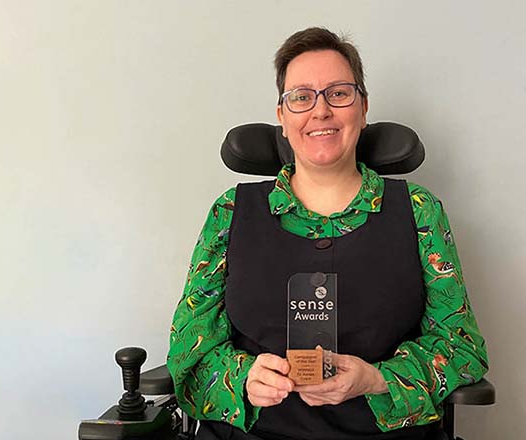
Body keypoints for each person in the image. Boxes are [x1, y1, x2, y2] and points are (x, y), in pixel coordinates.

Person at [166, 27, 488, 440]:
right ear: (282, 117)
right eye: (301, 97)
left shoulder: (418, 210)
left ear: (363, 108)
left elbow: (462, 348)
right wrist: (243, 377)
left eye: (338, 93)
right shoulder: (231, 212)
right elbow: (187, 356)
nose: (320, 111)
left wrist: (378, 379)